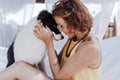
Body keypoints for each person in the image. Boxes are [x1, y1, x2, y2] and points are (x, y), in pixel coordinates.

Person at [0, 0, 102, 80]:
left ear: (73, 20)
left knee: (19, 68)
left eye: (61, 26)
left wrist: (49, 43)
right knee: (20, 68)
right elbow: (57, 63)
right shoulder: (74, 40)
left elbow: (58, 76)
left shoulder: (90, 48)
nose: (61, 31)